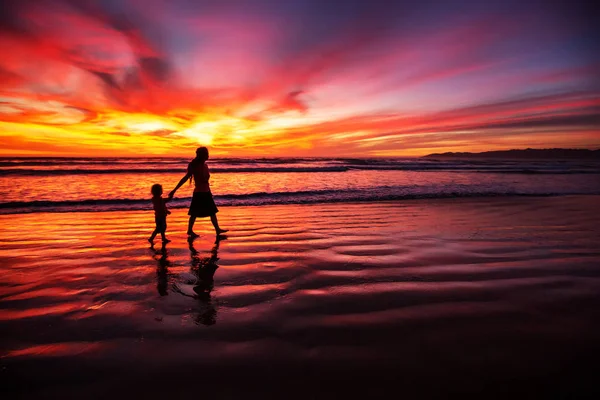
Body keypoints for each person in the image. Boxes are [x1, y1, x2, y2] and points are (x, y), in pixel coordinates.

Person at [169, 147, 227, 238]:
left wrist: (210, 192)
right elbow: (185, 178)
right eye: (206, 153)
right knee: (194, 213)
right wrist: (174, 190)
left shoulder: (205, 165)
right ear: (202, 155)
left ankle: (217, 229)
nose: (208, 155)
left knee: (212, 212)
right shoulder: (194, 165)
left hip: (206, 191)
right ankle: (189, 230)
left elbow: (206, 181)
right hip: (199, 193)